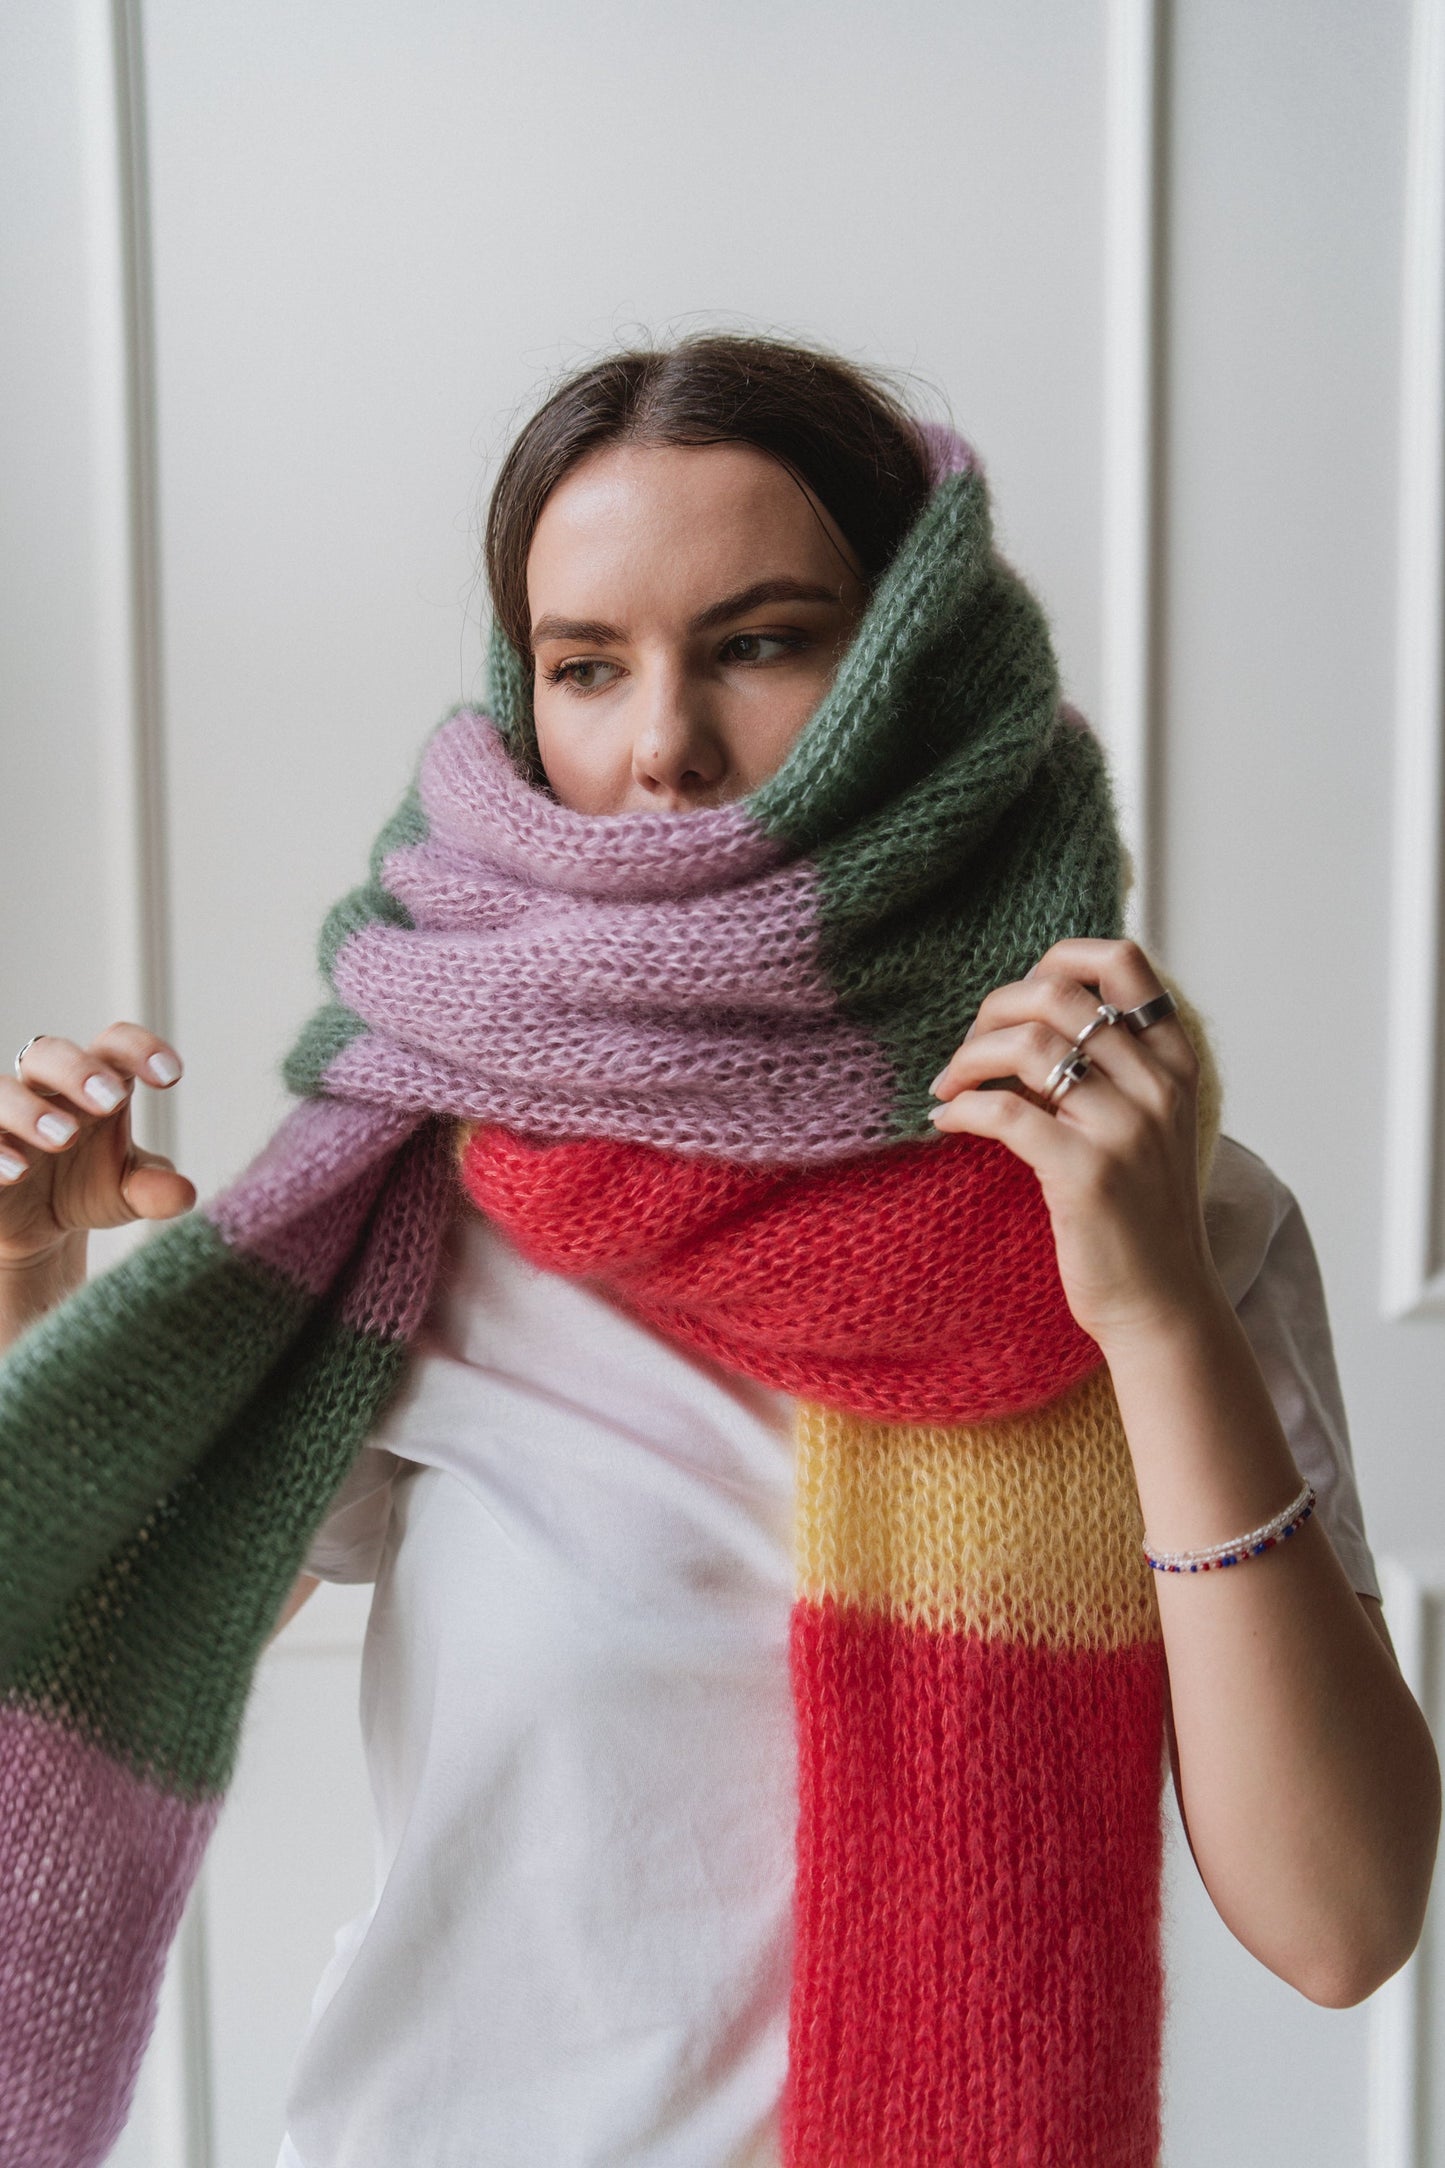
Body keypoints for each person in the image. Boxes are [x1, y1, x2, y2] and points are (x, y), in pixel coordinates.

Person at [0, 334, 1437, 2168]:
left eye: (758, 642)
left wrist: (1149, 1315)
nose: (660, 745)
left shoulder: (1165, 1215)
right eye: (586, 665)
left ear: (918, 671)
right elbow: (70, 1658)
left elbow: (1338, 1922)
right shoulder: (417, 1200)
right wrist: (23, 1284)